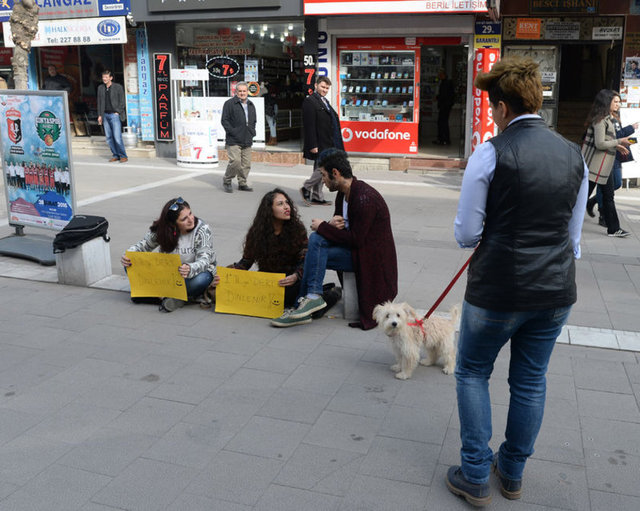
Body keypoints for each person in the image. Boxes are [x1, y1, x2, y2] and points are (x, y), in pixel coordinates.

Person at [448, 56, 588, 507]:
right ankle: (511, 472)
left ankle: (473, 474)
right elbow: (573, 237)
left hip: (498, 289)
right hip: (554, 290)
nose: (491, 116)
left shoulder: (491, 152)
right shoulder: (572, 155)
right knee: (530, 381)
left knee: (472, 371)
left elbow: (467, 233)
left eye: (492, 108)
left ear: (504, 108)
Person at [271, 149, 397, 330]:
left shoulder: (363, 198)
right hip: (355, 252)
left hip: (370, 259)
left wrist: (323, 227)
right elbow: (339, 231)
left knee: (317, 241)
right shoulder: (343, 194)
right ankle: (309, 299)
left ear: (335, 173)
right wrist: (329, 226)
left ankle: (305, 301)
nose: (322, 180)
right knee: (316, 241)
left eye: (323, 175)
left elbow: (356, 240)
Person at [120, 197, 216, 312]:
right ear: (173, 224)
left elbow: (205, 260)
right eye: (184, 219)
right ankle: (176, 298)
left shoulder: (202, 229)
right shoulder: (162, 229)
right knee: (130, 263)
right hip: (166, 275)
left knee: (202, 279)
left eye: (190, 213)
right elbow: (143, 245)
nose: (191, 219)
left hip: (191, 274)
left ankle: (156, 295)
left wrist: (190, 268)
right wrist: (128, 255)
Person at [229, 188, 308, 307]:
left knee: (295, 297)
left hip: (292, 280)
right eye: (280, 204)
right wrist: (228, 275)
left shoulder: (297, 229)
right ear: (269, 210)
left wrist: (296, 275)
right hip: (268, 282)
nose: (287, 207)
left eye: (287, 203)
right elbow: (246, 261)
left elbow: (305, 258)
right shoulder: (257, 232)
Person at [582, 89, 632, 237]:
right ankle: (563, 224)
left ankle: (614, 228)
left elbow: (606, 142)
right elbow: (599, 143)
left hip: (605, 166)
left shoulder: (609, 119)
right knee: (582, 197)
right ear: (606, 102)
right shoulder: (600, 120)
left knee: (608, 197)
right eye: (615, 102)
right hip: (595, 167)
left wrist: (618, 146)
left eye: (619, 102)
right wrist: (618, 142)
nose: (618, 105)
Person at [300, 76, 344, 206]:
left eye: (327, 88)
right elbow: (309, 125)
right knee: (324, 169)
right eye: (322, 87)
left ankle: (317, 197)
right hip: (319, 142)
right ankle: (306, 188)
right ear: (316, 85)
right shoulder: (310, 102)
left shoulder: (324, 101)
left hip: (328, 141)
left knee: (320, 168)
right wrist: (313, 144)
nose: (324, 90)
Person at [221, 81, 257, 193]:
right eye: (240, 91)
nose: (242, 93)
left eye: (244, 91)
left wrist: (252, 131)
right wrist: (233, 132)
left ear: (247, 92)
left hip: (247, 138)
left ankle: (242, 183)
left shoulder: (251, 105)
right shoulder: (229, 104)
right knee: (235, 162)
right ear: (236, 92)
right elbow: (224, 120)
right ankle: (227, 180)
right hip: (234, 138)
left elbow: (253, 120)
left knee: (246, 164)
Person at [97, 69, 128, 163]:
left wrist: (117, 112)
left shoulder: (118, 87)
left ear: (111, 78)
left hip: (114, 115)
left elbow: (122, 101)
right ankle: (115, 155)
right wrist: (99, 115)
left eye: (106, 77)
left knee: (117, 136)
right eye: (103, 77)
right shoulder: (100, 88)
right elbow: (99, 102)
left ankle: (123, 155)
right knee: (109, 138)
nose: (104, 79)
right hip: (105, 115)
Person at [433, 69, 455, 146]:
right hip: (446, 106)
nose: (439, 76)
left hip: (444, 106)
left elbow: (443, 95)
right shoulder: (446, 82)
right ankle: (444, 139)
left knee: (442, 122)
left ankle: (443, 139)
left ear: (443, 75)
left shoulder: (445, 83)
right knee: (443, 122)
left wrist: (437, 98)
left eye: (440, 74)